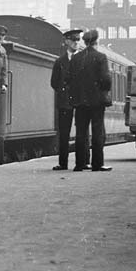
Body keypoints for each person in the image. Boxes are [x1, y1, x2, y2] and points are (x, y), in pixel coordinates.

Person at [68, 29, 113, 172]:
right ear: (96, 42)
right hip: (97, 101)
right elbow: (106, 79)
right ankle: (97, 164)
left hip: (80, 101)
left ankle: (80, 164)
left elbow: (69, 79)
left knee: (81, 132)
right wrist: (102, 90)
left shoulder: (76, 58)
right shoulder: (101, 57)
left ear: (85, 42)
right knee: (97, 131)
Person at [50, 29, 82, 170]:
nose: (76, 43)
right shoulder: (59, 62)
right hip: (65, 102)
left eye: (78, 40)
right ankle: (63, 163)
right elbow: (54, 82)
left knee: (82, 133)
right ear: (67, 41)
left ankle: (82, 162)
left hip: (81, 101)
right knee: (64, 133)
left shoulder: (83, 59)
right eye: (73, 40)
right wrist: (63, 92)